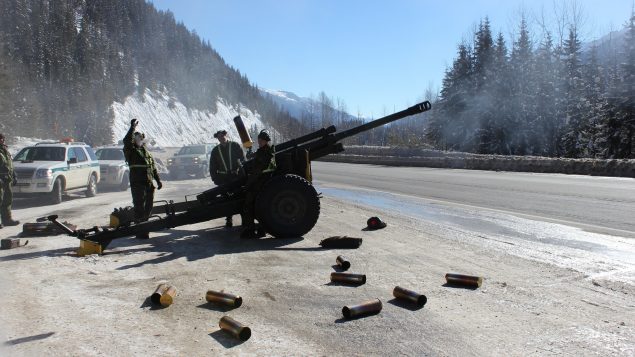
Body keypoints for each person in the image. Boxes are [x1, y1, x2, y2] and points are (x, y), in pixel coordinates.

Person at [123, 119, 162, 239]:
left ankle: (145, 229)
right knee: (139, 207)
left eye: (141, 137)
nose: (140, 139)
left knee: (148, 208)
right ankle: (140, 231)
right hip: (138, 184)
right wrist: (132, 128)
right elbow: (126, 141)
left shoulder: (146, 152)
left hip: (149, 184)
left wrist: (158, 180)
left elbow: (152, 167)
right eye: (138, 137)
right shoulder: (131, 151)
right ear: (134, 139)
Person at [241, 130, 276, 239]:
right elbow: (253, 156)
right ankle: (261, 229)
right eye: (259, 140)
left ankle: (250, 230)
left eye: (261, 140)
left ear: (266, 141)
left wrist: (247, 185)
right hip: (263, 181)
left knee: (248, 204)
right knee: (259, 207)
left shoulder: (265, 153)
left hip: (261, 182)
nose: (259, 142)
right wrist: (250, 153)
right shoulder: (264, 151)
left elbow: (257, 171)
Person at [210, 130, 245, 228]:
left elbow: (243, 160)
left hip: (236, 178)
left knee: (239, 198)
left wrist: (242, 174)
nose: (221, 138)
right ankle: (229, 219)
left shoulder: (235, 146)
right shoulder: (215, 150)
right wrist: (215, 178)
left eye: (222, 136)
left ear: (226, 136)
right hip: (223, 179)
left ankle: (244, 219)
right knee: (227, 200)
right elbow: (212, 166)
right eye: (219, 137)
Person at [0, 133, 19, 228]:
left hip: (7, 180)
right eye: (0, 139)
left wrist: (14, 175)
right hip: (1, 179)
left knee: (7, 200)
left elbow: (9, 164)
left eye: (3, 139)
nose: (2, 141)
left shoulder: (5, 151)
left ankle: (7, 220)